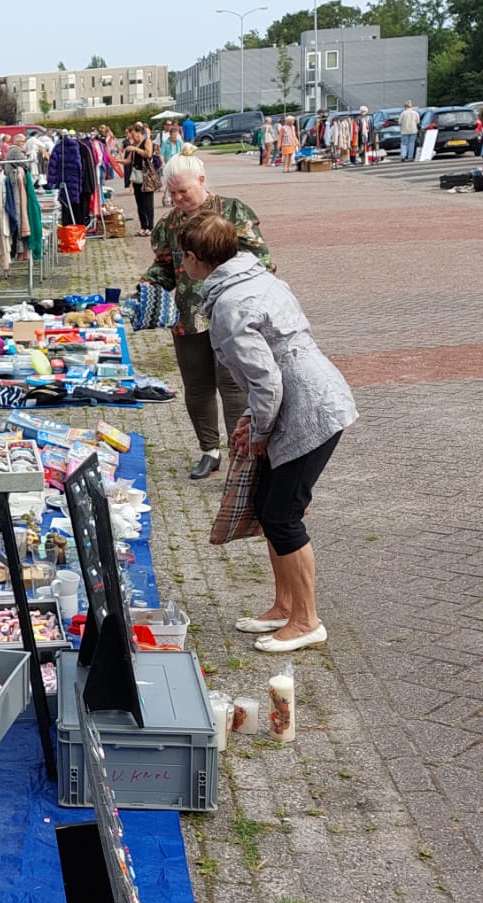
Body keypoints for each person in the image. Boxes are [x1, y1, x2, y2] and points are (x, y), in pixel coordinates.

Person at [179, 211, 357, 652]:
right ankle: (283, 606)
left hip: (310, 407)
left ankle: (307, 620)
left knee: (282, 513)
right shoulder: (256, 279)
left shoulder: (230, 304)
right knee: (268, 504)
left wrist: (259, 429)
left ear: (194, 259)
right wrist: (253, 421)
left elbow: (267, 380)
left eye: (182, 258)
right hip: (307, 395)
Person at [140, 154, 272, 479]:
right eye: (172, 194)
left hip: (232, 315)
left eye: (183, 191)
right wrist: (149, 284)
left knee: (233, 386)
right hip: (188, 317)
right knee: (197, 387)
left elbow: (262, 260)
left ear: (201, 180)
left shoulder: (232, 211)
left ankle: (240, 457)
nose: (178, 199)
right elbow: (166, 265)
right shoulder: (170, 224)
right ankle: (208, 451)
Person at [123, 122, 159, 235]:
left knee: (148, 202)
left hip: (146, 175)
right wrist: (115, 161)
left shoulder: (146, 141)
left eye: (134, 134)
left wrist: (135, 149)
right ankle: (143, 225)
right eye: (131, 135)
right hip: (137, 175)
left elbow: (148, 154)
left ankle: (150, 226)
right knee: (139, 202)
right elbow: (128, 160)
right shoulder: (135, 144)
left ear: (140, 132)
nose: (133, 137)